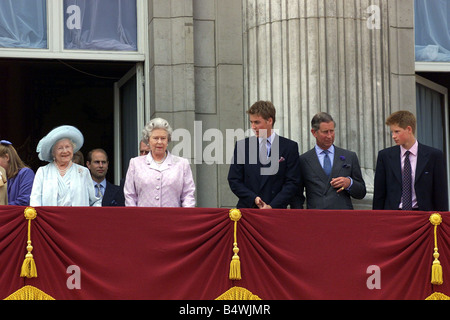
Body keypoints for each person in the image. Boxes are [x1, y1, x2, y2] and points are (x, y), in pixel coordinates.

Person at [227, 100, 301, 209]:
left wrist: (272, 206)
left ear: (269, 120)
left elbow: (293, 182)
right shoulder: (242, 146)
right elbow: (234, 180)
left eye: (257, 122)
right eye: (251, 122)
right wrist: (254, 198)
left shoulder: (289, 147)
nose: (253, 126)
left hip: (276, 212)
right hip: (249, 210)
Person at [373, 110, 448, 211]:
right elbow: (379, 193)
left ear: (409, 129)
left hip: (423, 217)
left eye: (397, 131)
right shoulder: (385, 156)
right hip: (393, 216)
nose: (393, 136)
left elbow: (440, 193)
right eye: (392, 132)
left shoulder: (434, 156)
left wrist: (441, 222)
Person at [293, 112, 366, 209]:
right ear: (314, 132)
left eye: (332, 131)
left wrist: (349, 183)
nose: (329, 136)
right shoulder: (304, 160)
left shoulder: (349, 156)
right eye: (325, 132)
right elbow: (297, 195)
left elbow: (361, 192)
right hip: (316, 218)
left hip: (343, 217)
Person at [124, 118, 196, 207]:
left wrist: (186, 217)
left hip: (173, 219)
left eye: (163, 138)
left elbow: (188, 195)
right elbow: (130, 195)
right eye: (155, 138)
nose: (159, 142)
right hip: (144, 219)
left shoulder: (182, 164)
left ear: (168, 140)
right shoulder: (135, 163)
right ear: (148, 140)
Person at [30, 125, 101, 207]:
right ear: (53, 152)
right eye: (60, 148)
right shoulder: (43, 172)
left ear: (72, 149)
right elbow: (35, 201)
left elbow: (94, 201)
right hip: (50, 219)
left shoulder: (83, 172)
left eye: (67, 147)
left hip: (77, 218)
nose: (65, 151)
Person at [0, 140, 35, 206]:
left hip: (20, 215)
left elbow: (24, 201)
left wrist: (3, 208)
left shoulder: (26, 173)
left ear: (7, 157)